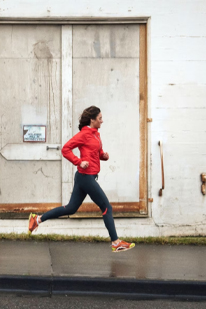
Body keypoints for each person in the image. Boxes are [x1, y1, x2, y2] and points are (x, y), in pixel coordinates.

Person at [28, 106, 135, 253]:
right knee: (106, 207)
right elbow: (65, 149)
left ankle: (37, 219)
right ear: (92, 120)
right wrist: (78, 161)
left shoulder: (96, 134)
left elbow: (96, 151)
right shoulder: (84, 134)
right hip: (86, 177)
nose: (102, 121)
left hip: (84, 177)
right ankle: (116, 242)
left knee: (71, 209)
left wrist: (103, 155)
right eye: (100, 119)